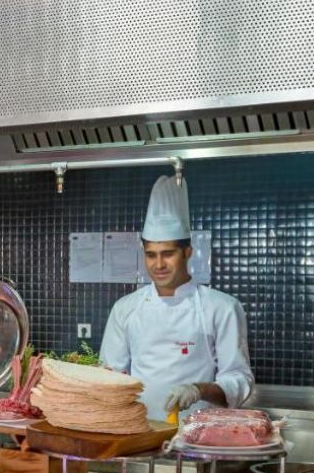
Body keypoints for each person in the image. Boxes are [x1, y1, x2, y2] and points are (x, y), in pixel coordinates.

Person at [100, 175, 253, 420]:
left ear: (187, 252)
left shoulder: (222, 307)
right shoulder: (125, 309)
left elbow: (238, 379)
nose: (158, 264)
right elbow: (110, 376)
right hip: (138, 430)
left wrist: (198, 389)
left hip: (197, 433)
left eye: (168, 253)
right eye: (151, 255)